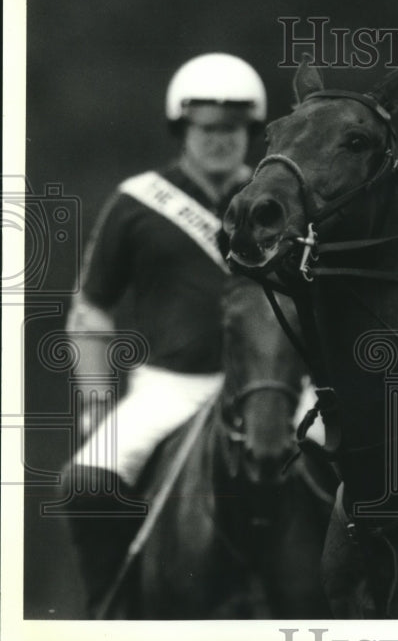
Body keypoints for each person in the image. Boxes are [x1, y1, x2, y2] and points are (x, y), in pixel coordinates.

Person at [62, 52, 267, 616]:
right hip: (169, 388)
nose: (221, 140)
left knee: (354, 481)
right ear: (182, 129)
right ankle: (110, 613)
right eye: (207, 128)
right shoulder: (137, 200)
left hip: (271, 387)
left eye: (233, 128)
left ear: (249, 130)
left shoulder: (278, 199)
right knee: (85, 482)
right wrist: (96, 404)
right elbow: (91, 313)